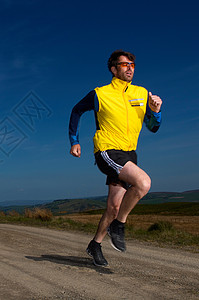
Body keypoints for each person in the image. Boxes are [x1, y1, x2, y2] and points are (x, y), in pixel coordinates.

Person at [68, 50, 162, 267]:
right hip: (107, 151)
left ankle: (95, 244)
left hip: (129, 154)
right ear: (113, 69)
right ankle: (119, 226)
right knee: (143, 183)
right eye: (124, 64)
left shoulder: (141, 93)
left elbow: (153, 127)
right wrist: (74, 141)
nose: (130, 68)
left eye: (132, 65)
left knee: (113, 206)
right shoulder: (100, 94)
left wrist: (156, 112)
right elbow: (76, 110)